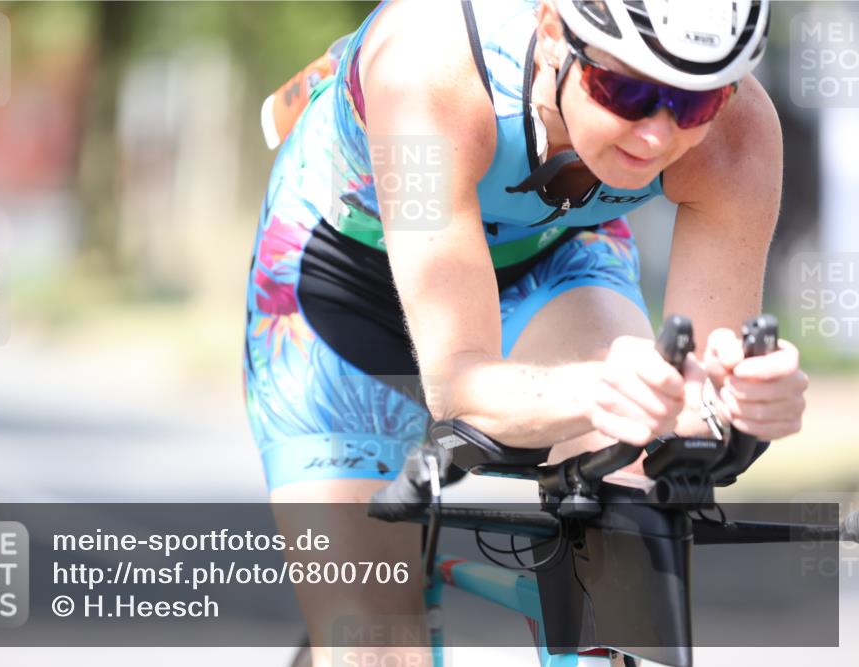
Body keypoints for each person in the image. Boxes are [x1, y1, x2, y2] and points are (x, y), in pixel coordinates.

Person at [243, 1, 808, 664]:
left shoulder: (736, 133)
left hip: (553, 255)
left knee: (633, 494)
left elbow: (698, 400)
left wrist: (741, 406)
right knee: (373, 641)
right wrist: (600, 390)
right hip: (344, 288)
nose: (657, 135)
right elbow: (459, 382)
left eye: (694, 103)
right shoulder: (429, 75)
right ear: (550, 36)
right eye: (625, 90)